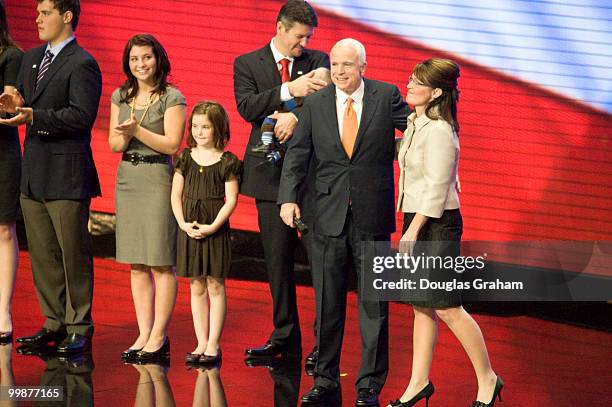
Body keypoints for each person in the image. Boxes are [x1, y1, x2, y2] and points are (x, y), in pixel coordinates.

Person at [279, 38, 410, 407]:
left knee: (374, 306)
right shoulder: (316, 102)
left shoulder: (386, 96)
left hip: (372, 215)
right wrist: (288, 197)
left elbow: (417, 131)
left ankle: (369, 385)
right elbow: (299, 152)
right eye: (335, 64)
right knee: (327, 304)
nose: (339, 71)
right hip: (326, 216)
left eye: (347, 65)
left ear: (363, 68)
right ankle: (324, 379)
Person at [389, 58, 502, 407]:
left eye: (416, 82)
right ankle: (418, 383)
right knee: (420, 307)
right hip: (418, 217)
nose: (408, 85)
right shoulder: (415, 122)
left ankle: (488, 378)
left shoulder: (439, 130)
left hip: (437, 223)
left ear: (436, 91)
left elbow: (438, 187)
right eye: (409, 78)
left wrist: (413, 229)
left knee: (448, 308)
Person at [0, 0, 101, 354]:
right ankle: (53, 322)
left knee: (73, 253)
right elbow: (24, 102)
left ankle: (79, 326)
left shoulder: (83, 63)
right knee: (43, 254)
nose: (37, 18)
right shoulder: (30, 59)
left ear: (67, 16)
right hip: (34, 172)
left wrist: (33, 116)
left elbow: (80, 116)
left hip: (67, 172)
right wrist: (11, 102)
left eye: (45, 13)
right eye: (38, 13)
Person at [234, 0, 329, 368]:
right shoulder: (248, 63)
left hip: (311, 179)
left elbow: (327, 104)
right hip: (268, 177)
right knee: (277, 263)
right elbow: (247, 107)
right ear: (280, 27)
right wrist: (291, 89)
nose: (303, 44)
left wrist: (295, 118)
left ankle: (325, 343)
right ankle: (284, 336)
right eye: (298, 36)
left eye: (308, 37)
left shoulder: (320, 61)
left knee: (322, 265)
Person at [108, 33, 186, 362]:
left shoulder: (172, 96)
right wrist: (123, 134)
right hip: (128, 178)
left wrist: (136, 130)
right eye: (135, 59)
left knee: (159, 261)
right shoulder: (120, 95)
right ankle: (143, 332)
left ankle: (159, 335)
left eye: (147, 57)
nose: (141, 64)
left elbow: (172, 145)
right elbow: (113, 145)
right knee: (136, 263)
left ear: (158, 59)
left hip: (157, 179)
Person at [170, 101, 241, 366]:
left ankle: (213, 344)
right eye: (196, 126)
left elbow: (231, 199)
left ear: (218, 128)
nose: (199, 132)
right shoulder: (185, 158)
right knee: (196, 284)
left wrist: (213, 226)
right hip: (189, 227)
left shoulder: (228, 161)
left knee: (215, 283)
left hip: (215, 227)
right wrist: (182, 223)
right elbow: (176, 194)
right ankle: (200, 342)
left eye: (206, 127)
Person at [0, 1, 23, 344]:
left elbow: (8, 107)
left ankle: (2, 309)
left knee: (4, 229)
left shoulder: (11, 55)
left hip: (2, 150)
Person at [252, 67, 331, 167]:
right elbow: (283, 105)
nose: (313, 88)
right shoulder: (299, 95)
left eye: (318, 87)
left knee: (286, 150)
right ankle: (266, 145)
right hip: (283, 134)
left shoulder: (325, 106)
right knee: (269, 121)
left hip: (300, 143)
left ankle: (272, 157)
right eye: (312, 83)